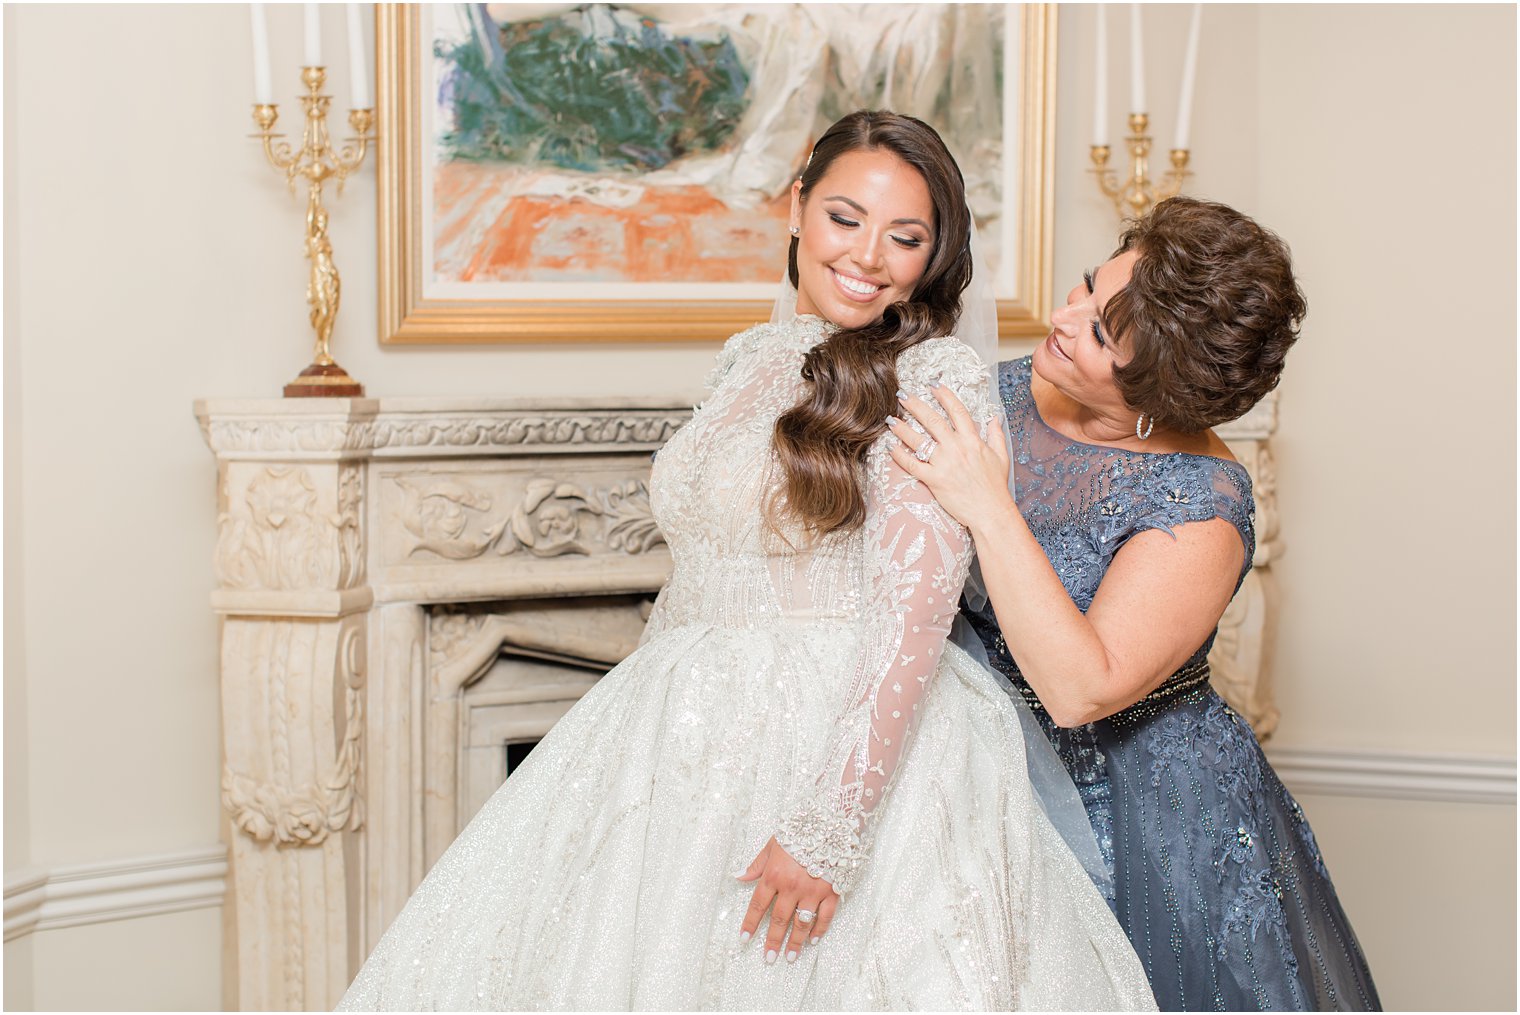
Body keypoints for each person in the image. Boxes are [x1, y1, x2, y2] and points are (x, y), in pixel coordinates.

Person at [338, 110, 1156, 1010]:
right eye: (846, 218)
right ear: (797, 206)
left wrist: (830, 830)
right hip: (677, 732)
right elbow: (698, 570)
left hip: (836, 742)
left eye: (906, 237)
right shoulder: (747, 360)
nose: (869, 256)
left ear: (934, 254)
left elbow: (916, 611)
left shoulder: (932, 377)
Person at [889, 196, 1382, 1011]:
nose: (1061, 316)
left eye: (1099, 332)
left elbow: (1082, 688)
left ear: (1162, 390)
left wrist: (988, 503)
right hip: (972, 773)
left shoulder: (1200, 504)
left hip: (1148, 814)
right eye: (1086, 287)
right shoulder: (989, 393)